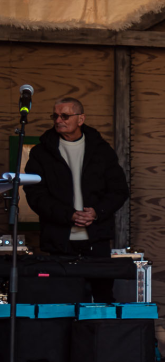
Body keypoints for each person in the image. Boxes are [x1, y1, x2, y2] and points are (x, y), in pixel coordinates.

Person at [24, 97, 129, 303]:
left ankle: (97, 336)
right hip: (59, 243)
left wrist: (97, 212)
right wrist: (68, 215)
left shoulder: (101, 150)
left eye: (65, 115)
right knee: (60, 302)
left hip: (96, 241)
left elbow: (119, 190)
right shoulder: (41, 152)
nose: (58, 120)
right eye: (55, 116)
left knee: (102, 300)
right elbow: (36, 195)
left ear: (81, 119)